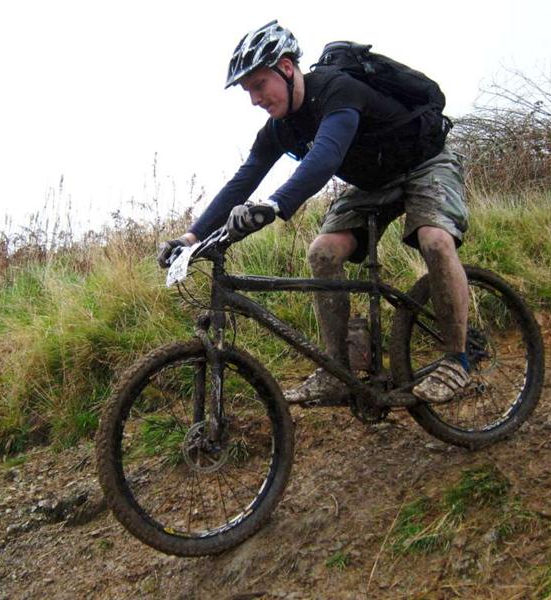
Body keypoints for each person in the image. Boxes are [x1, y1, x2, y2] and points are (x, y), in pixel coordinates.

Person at [157, 21, 470, 405]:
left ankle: (457, 360)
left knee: (434, 240)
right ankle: (337, 372)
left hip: (425, 164)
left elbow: (325, 157)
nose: (254, 99)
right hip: (373, 184)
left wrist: (275, 204)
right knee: (322, 253)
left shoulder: (337, 89)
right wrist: (190, 238)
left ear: (287, 68)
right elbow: (243, 181)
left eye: (259, 85)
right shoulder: (279, 129)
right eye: (248, 90)